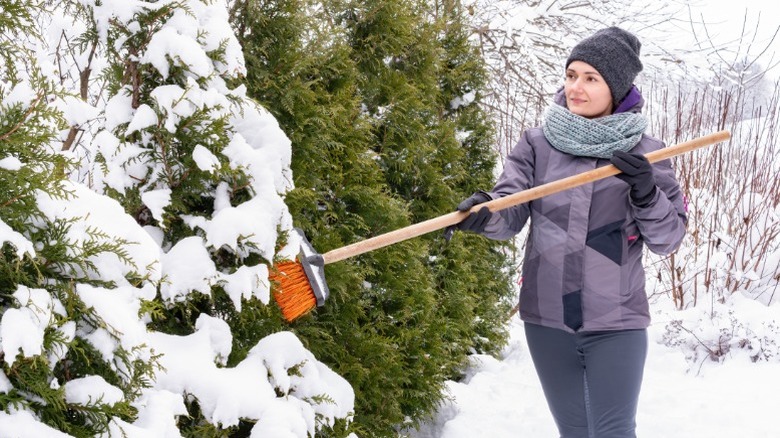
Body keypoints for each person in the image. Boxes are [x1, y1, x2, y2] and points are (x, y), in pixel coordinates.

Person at [450, 27, 687, 437]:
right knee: (575, 433)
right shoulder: (538, 145)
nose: (576, 87)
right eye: (571, 74)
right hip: (547, 320)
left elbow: (668, 239)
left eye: (590, 78)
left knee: (613, 432)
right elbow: (509, 211)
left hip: (616, 320)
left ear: (617, 87)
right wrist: (484, 213)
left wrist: (647, 193)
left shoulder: (648, 153)